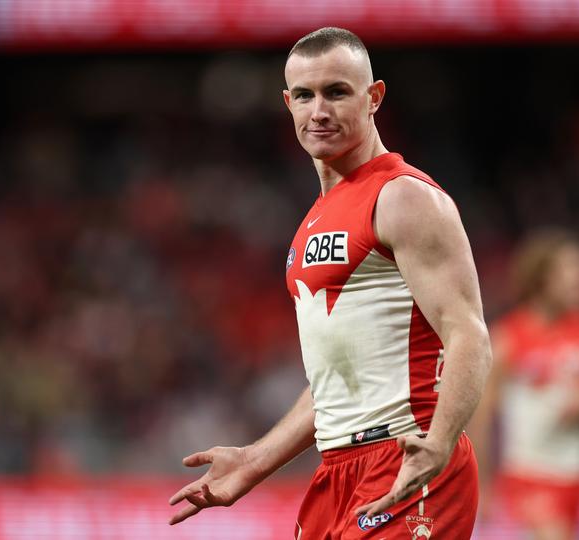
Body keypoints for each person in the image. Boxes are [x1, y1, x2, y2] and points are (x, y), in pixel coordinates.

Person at [168, 27, 492, 539]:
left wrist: (439, 442)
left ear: (374, 97)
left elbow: (468, 332)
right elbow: (334, 382)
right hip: (338, 470)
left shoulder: (404, 198)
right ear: (287, 103)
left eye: (337, 92)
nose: (318, 110)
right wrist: (255, 461)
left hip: (406, 457)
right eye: (304, 95)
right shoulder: (314, 222)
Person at [468, 229, 579, 540]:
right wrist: (482, 485)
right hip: (530, 474)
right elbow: (483, 416)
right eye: (572, 275)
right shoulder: (509, 338)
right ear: (543, 279)